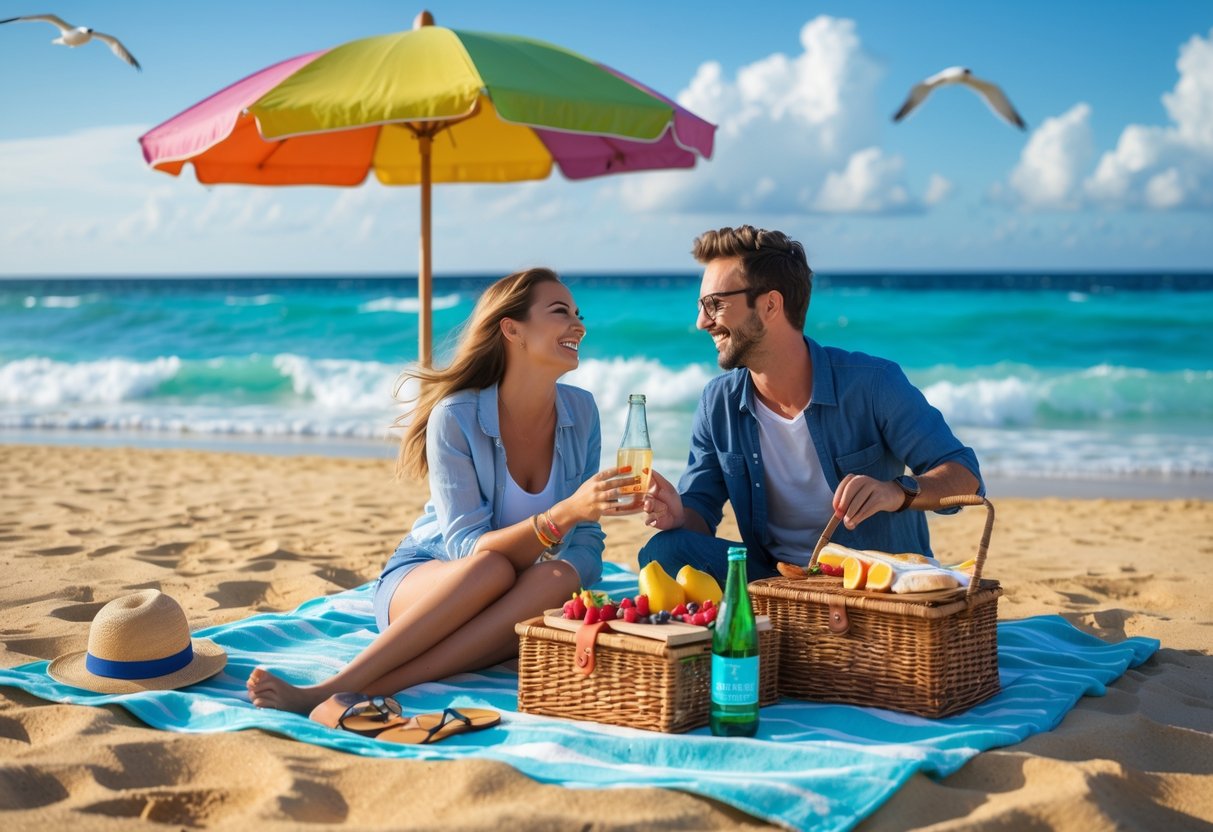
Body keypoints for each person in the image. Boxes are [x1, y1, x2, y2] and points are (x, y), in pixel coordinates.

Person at [248, 268, 638, 714]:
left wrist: (564, 563)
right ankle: (331, 688)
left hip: (518, 593)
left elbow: (588, 545)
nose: (578, 325)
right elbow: (466, 547)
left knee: (561, 576)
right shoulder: (456, 416)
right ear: (512, 329)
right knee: (490, 568)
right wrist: (562, 516)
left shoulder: (582, 411)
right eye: (560, 312)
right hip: (434, 580)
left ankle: (383, 684)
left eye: (578, 313)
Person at [640, 226, 983, 586]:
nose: (701, 322)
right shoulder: (718, 403)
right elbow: (700, 513)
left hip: (874, 585)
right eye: (701, 306)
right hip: (775, 582)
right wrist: (679, 514)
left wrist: (895, 492)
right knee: (662, 551)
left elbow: (965, 476)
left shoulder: (873, 383)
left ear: (770, 305)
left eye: (715, 304)